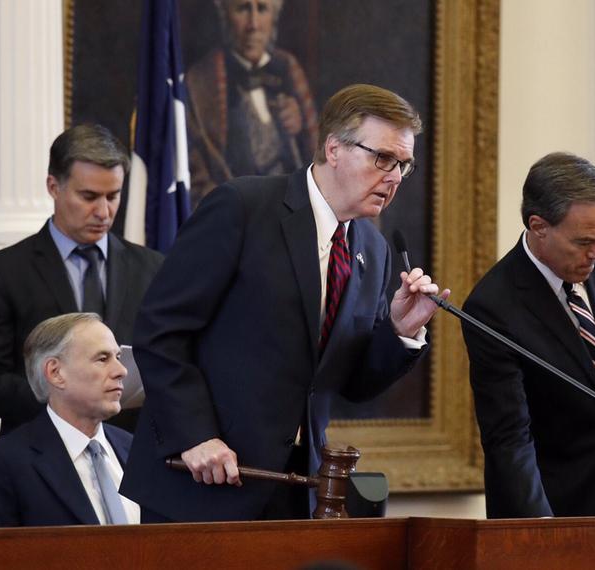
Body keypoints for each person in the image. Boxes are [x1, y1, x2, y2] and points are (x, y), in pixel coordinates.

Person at [121, 83, 448, 522]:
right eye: (383, 158)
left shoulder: (374, 247)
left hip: (296, 489)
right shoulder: (243, 207)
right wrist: (194, 435)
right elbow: (161, 331)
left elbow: (349, 384)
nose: (393, 177)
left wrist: (399, 332)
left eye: (403, 165)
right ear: (334, 148)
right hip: (202, 479)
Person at [461, 152, 595, 518]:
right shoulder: (492, 306)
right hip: (554, 506)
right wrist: (542, 530)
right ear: (539, 226)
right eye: (584, 242)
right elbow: (510, 438)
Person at [0, 124, 163, 436]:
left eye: (113, 196)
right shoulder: (5, 271)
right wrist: (66, 399)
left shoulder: (152, 268)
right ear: (54, 187)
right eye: (89, 196)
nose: (103, 211)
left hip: (130, 460)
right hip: (38, 459)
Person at [0, 313, 139, 527]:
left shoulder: (134, 449)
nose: (121, 371)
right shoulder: (0, 464)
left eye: (118, 357)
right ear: (55, 373)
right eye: (102, 359)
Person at [186, 0, 318, 207]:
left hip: (293, 212)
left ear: (274, 16)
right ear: (225, 16)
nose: (253, 24)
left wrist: (299, 129)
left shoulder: (288, 68)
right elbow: (196, 174)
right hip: (234, 215)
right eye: (243, 9)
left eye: (262, 9)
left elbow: (317, 152)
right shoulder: (202, 81)